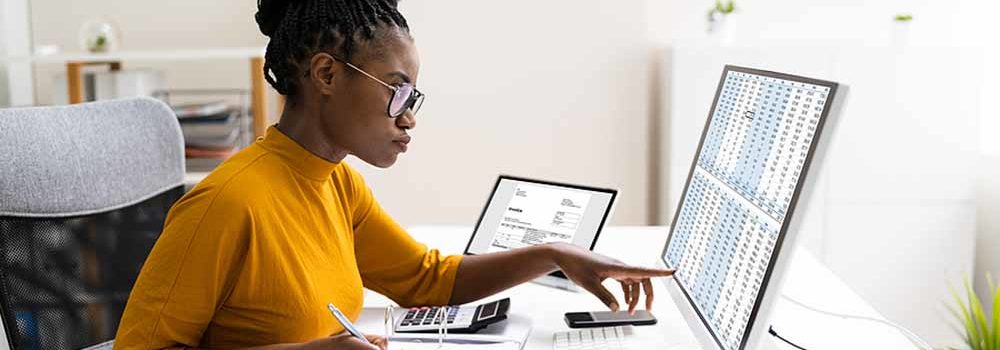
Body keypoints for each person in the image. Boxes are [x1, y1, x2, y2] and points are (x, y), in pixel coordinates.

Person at [113, 0, 674, 349]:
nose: (409, 117)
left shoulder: (337, 184)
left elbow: (429, 281)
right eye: (397, 91)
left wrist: (555, 253)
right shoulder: (225, 206)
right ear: (326, 74)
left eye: (414, 97)